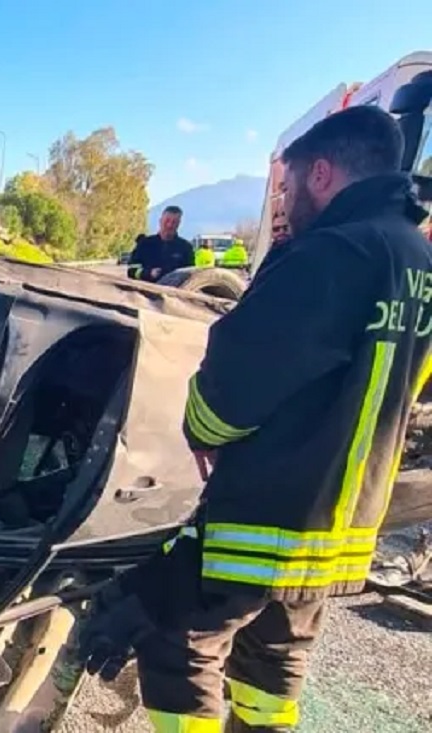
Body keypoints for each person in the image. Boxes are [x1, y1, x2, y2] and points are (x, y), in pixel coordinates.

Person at [78, 105, 432, 732]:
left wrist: (201, 429)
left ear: (321, 173)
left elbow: (233, 384)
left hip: (270, 516)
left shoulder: (335, 253)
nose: (284, 205)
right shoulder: (419, 264)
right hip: (342, 528)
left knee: (174, 642)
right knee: (272, 659)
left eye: (288, 187)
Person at [127, 206, 194, 282]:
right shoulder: (145, 244)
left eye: (174, 222)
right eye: (167, 221)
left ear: (179, 224)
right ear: (160, 221)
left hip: (174, 292)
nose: (170, 225)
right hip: (146, 290)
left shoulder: (185, 248)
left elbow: (191, 275)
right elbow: (131, 271)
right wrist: (148, 273)